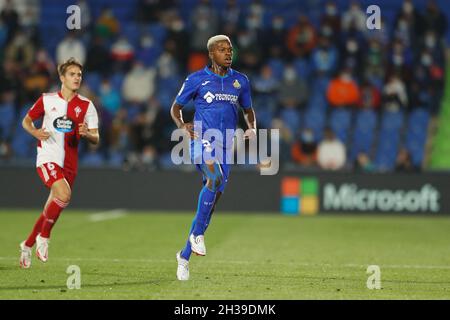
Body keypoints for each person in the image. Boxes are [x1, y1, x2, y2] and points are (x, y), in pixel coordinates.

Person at [170, 35, 256, 280]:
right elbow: (175, 107)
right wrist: (182, 125)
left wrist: (252, 127)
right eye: (222, 49)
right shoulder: (196, 79)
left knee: (210, 206)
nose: (228, 53)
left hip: (226, 147)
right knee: (214, 177)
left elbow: (249, 110)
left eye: (230, 49)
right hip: (202, 141)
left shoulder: (241, 81)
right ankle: (197, 237)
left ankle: (184, 256)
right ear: (211, 54)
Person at [19, 58, 99, 268]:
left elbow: (96, 137)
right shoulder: (47, 100)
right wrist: (35, 132)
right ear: (62, 78)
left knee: (50, 209)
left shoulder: (87, 105)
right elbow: (26, 121)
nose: (77, 78)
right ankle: (44, 237)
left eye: (79, 75)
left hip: (70, 166)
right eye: (72, 74)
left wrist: (87, 134)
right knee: (64, 195)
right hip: (47, 158)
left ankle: (27, 245)